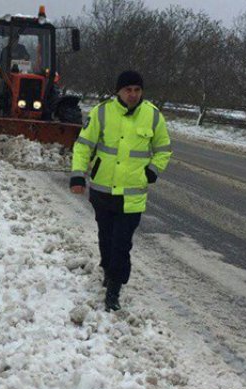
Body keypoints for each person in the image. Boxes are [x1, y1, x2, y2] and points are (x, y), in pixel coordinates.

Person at [69, 70, 172, 311]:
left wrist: (152, 171)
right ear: (118, 91)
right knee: (106, 239)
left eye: (137, 90)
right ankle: (108, 270)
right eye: (128, 90)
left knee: (121, 244)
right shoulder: (102, 112)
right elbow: (83, 146)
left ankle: (114, 289)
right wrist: (77, 175)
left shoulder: (153, 116)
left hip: (132, 195)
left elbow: (164, 148)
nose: (133, 94)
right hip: (103, 191)